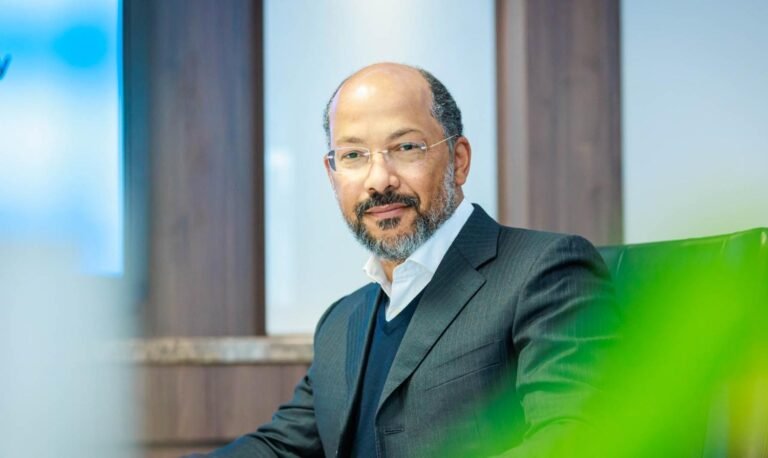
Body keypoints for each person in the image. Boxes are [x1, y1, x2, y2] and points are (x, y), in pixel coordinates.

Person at [203, 63, 620, 457]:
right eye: (353, 155)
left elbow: (573, 438)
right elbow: (281, 448)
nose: (379, 180)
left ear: (458, 161)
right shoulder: (340, 322)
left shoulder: (546, 270)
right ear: (332, 175)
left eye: (405, 147)